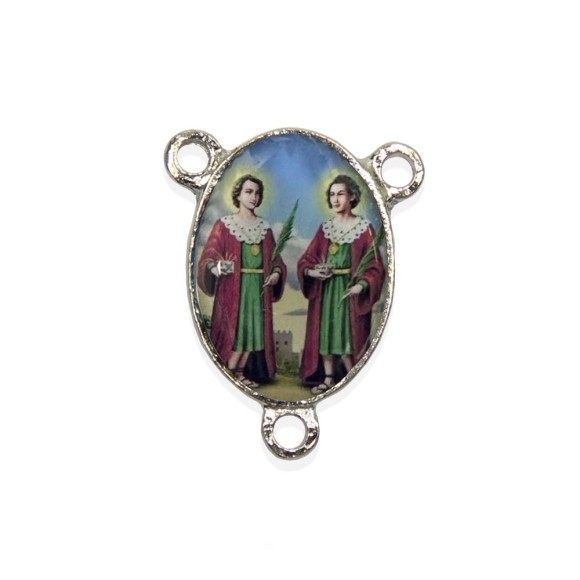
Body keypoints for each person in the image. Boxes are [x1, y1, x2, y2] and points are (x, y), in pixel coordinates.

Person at [298, 175, 385, 394]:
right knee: (326, 334)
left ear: (352, 196)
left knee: (346, 336)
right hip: (326, 291)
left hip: (349, 292)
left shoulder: (363, 228)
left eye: (340, 194)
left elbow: (375, 266)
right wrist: (313, 271)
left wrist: (362, 285)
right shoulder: (325, 228)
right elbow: (306, 260)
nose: (335, 199)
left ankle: (353, 376)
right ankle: (328, 378)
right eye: (332, 195)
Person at [198, 174, 286, 388]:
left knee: (252, 334)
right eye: (248, 192)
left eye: (257, 193)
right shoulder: (224, 225)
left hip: (257, 290)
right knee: (236, 333)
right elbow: (209, 254)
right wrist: (216, 267)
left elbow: (276, 260)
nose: (253, 197)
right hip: (234, 289)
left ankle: (239, 373)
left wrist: (276, 273)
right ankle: (228, 372)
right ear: (238, 195)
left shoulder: (264, 229)